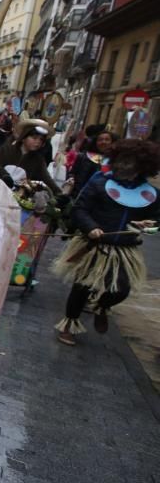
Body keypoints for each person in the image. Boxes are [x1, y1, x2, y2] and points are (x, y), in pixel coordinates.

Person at [54, 139, 160, 345]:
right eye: (122, 159)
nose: (125, 165)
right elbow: (80, 210)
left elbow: (157, 218)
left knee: (122, 290)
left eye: (131, 161)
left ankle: (102, 305)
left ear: (143, 165)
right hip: (94, 245)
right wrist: (90, 227)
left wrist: (150, 224)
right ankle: (69, 325)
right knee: (82, 286)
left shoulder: (150, 194)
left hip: (125, 248)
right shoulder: (99, 183)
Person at [0, 119, 63, 196]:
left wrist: (59, 193)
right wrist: (4, 175)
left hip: (18, 197)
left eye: (41, 140)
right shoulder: (7, 149)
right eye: (34, 138)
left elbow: (47, 179)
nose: (38, 142)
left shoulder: (38, 160)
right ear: (24, 137)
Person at [70, 127, 114, 195]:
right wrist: (71, 180)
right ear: (95, 142)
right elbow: (72, 173)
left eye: (107, 140)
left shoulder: (114, 162)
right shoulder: (83, 157)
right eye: (100, 140)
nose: (103, 142)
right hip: (77, 195)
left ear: (112, 142)